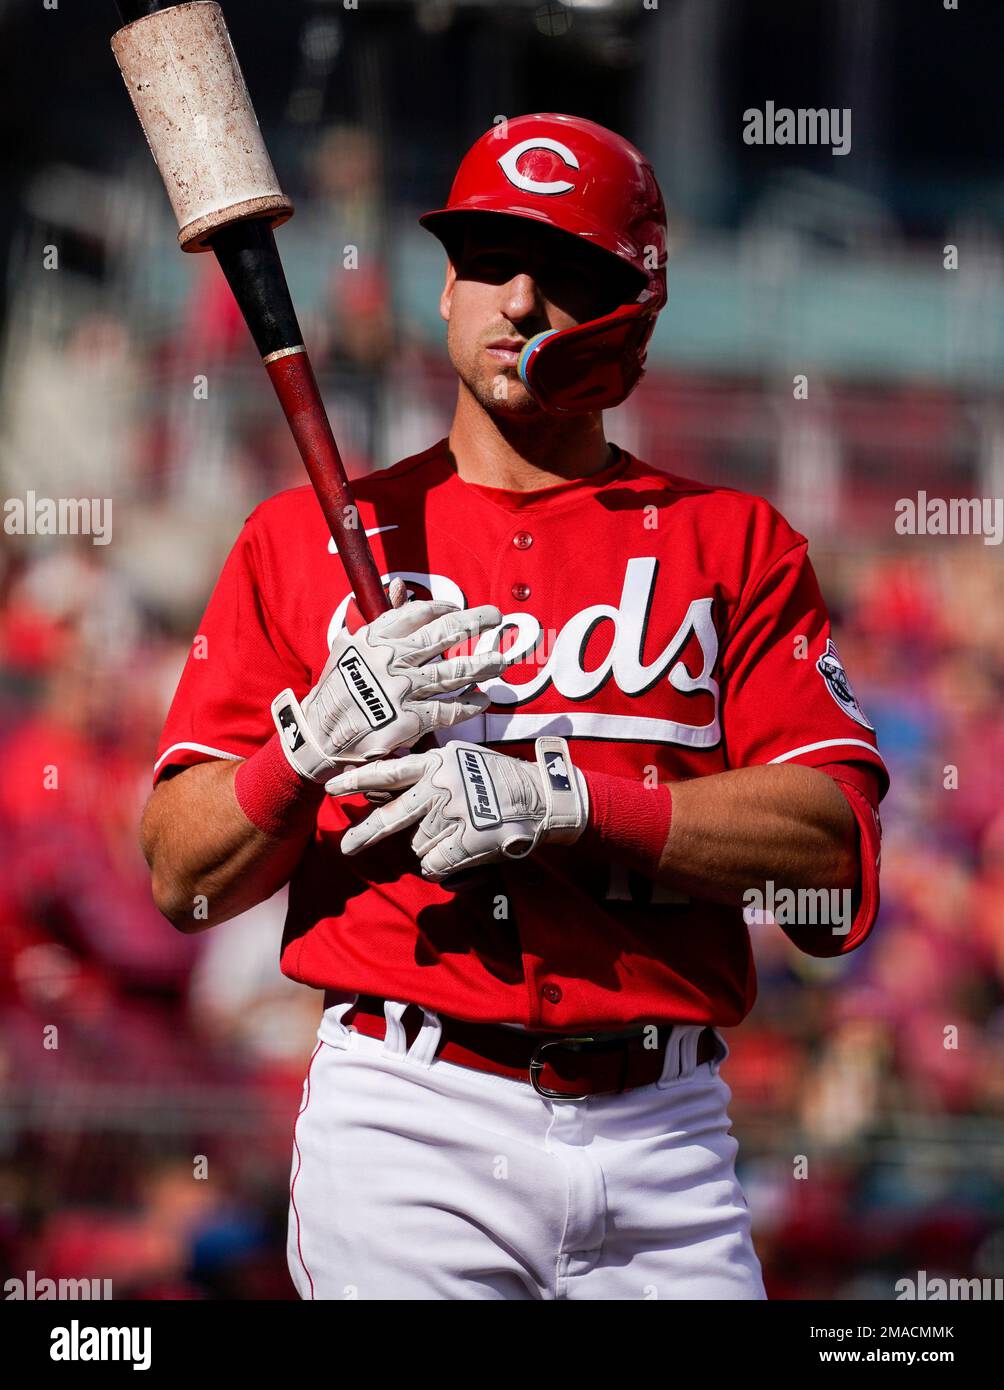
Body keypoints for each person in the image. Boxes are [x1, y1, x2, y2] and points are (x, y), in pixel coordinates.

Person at [141, 113, 887, 1300]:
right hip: (408, 1116)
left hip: (669, 1137)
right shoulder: (300, 542)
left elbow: (833, 860)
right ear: (443, 292)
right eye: (487, 261)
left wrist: (571, 803)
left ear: (630, 313)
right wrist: (307, 747)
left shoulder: (730, 543)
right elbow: (181, 875)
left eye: (569, 271)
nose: (521, 299)